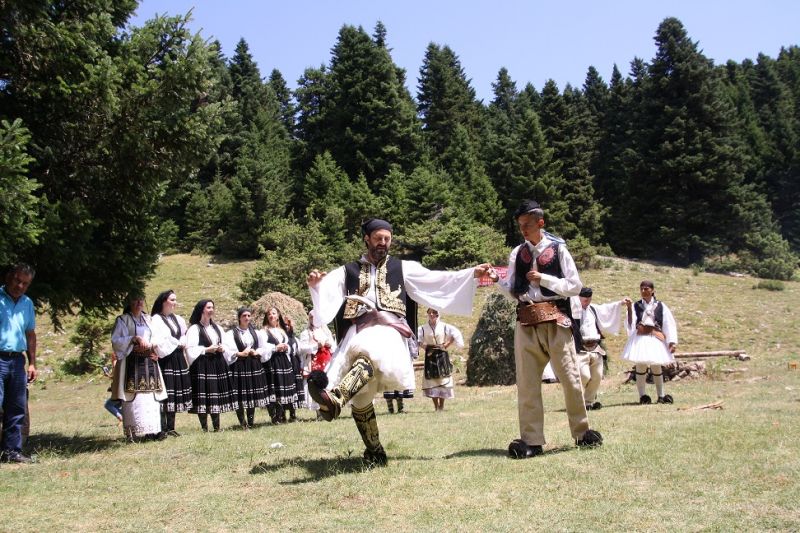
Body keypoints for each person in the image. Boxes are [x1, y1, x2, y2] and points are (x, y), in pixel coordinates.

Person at [306, 218, 494, 465]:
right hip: (357, 331)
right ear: (367, 239)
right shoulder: (347, 271)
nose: (383, 243)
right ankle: (375, 451)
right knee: (362, 397)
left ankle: (337, 399)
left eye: (387, 239)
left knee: (371, 352)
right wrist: (316, 287)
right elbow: (325, 297)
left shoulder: (403, 268)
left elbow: (436, 279)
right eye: (378, 238)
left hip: (389, 331)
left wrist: (470, 274)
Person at [493, 200, 603, 459]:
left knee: (571, 379)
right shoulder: (516, 253)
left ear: (540, 223)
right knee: (528, 384)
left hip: (555, 319)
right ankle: (531, 441)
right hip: (526, 321)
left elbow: (575, 285)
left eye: (528, 225)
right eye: (520, 226)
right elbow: (512, 291)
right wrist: (497, 280)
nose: (524, 230)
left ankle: (582, 432)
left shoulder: (558, 249)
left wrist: (545, 279)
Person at [110, 292, 169, 442]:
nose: (139, 303)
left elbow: (160, 336)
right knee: (134, 397)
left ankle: (153, 431)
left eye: (141, 300)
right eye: (135, 300)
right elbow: (116, 341)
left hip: (149, 362)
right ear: (129, 302)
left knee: (151, 396)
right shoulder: (123, 320)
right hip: (132, 363)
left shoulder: (149, 320)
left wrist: (152, 345)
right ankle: (133, 433)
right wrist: (133, 339)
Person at [0, 263, 38, 463]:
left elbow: (30, 334)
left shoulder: (27, 303)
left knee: (16, 407)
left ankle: (11, 452)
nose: (20, 286)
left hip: (17, 361)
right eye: (17, 280)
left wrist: (32, 363)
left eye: (25, 283)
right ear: (8, 277)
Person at [621, 280, 678, 404]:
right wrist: (630, 309)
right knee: (641, 366)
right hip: (641, 337)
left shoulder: (661, 306)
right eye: (641, 289)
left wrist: (672, 341)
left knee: (657, 367)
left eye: (646, 289)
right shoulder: (636, 306)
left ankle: (661, 396)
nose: (643, 291)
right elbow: (630, 323)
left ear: (652, 290)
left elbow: (669, 323)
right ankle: (643, 396)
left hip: (656, 338)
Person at [185, 299, 238, 432]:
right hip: (202, 364)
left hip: (217, 363)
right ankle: (204, 428)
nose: (211, 310)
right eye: (208, 307)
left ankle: (217, 427)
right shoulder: (194, 328)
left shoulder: (217, 328)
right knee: (203, 395)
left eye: (212, 307)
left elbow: (226, 344)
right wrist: (207, 349)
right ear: (202, 309)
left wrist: (221, 348)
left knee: (215, 394)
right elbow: (190, 349)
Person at [572, 287, 627, 411]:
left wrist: (620, 303)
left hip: (595, 347)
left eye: (589, 299)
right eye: (584, 299)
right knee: (584, 375)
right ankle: (576, 401)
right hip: (580, 347)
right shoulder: (573, 310)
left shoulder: (593, 309)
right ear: (578, 298)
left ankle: (588, 402)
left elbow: (607, 308)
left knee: (597, 376)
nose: (587, 301)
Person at [150, 290, 193, 436]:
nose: (175, 303)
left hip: (178, 358)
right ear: (163, 301)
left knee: (174, 391)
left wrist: (179, 342)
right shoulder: (156, 319)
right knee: (165, 392)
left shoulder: (178, 319)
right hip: (165, 359)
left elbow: (184, 336)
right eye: (172, 300)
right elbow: (158, 341)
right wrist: (176, 342)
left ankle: (171, 426)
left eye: (175, 300)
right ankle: (161, 428)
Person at [223, 307, 270, 429]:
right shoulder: (232, 333)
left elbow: (263, 347)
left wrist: (256, 352)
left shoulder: (256, 333)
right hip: (239, 365)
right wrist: (239, 353)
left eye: (249, 316)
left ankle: (250, 421)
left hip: (253, 364)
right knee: (240, 393)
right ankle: (242, 422)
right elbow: (227, 349)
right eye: (244, 316)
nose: (247, 318)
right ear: (239, 317)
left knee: (252, 393)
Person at [262, 307, 303, 423]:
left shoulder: (282, 331)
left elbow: (290, 346)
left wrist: (286, 347)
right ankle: (277, 416)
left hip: (285, 361)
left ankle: (288, 415)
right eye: (269, 314)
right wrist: (275, 348)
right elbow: (263, 347)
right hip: (273, 362)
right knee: (276, 387)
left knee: (287, 386)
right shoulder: (264, 331)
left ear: (277, 316)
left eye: (274, 313)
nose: (271, 316)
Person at [418, 308, 464, 412]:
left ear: (438, 314)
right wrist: (424, 347)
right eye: (429, 312)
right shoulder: (423, 328)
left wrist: (447, 344)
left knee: (443, 380)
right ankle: (436, 407)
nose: (431, 314)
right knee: (432, 381)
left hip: (442, 353)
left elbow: (455, 334)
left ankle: (441, 406)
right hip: (430, 355)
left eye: (434, 312)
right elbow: (417, 339)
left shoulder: (444, 326)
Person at [297, 310, 336, 417]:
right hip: (314, 362)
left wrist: (329, 344)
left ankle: (331, 408)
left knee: (329, 383)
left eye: (315, 317)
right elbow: (301, 349)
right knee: (316, 385)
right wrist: (315, 346)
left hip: (327, 361)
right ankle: (319, 412)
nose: (313, 319)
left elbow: (334, 346)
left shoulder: (325, 331)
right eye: (311, 317)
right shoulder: (306, 333)